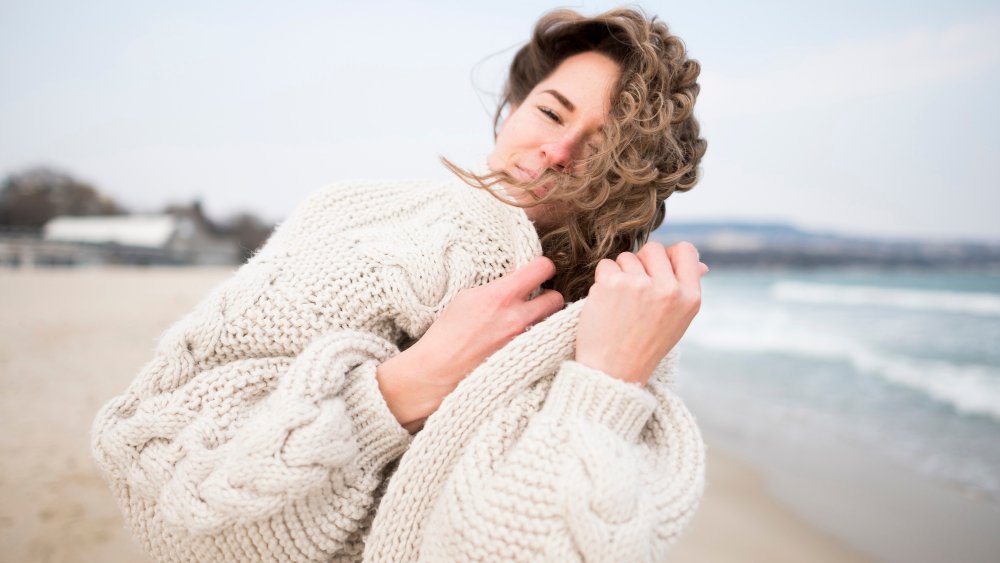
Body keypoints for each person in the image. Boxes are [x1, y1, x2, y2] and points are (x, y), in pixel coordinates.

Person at [92, 6, 708, 562]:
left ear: (636, 184)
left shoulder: (628, 323)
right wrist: (406, 386)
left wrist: (603, 385)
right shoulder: (355, 218)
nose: (556, 151)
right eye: (550, 111)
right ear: (514, 106)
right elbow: (151, 463)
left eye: (603, 149)